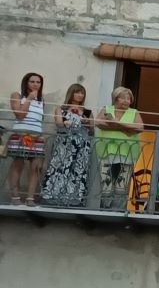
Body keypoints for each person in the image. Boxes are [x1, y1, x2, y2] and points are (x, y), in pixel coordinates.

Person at [37, 82, 95, 208]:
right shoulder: (61, 109)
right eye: (77, 92)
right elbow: (58, 123)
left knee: (78, 170)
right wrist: (65, 123)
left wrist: (86, 121)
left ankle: (74, 200)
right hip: (65, 143)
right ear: (71, 93)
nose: (80, 95)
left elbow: (92, 129)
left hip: (82, 144)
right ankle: (51, 197)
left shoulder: (87, 111)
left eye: (82, 93)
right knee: (59, 168)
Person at [7, 70, 46, 203]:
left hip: (36, 136)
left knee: (35, 167)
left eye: (38, 82)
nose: (35, 84)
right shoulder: (17, 94)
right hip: (21, 134)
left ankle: (30, 198)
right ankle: (15, 196)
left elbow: (39, 119)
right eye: (32, 81)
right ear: (26, 82)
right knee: (18, 164)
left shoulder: (41, 99)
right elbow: (20, 115)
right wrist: (29, 99)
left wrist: (41, 135)